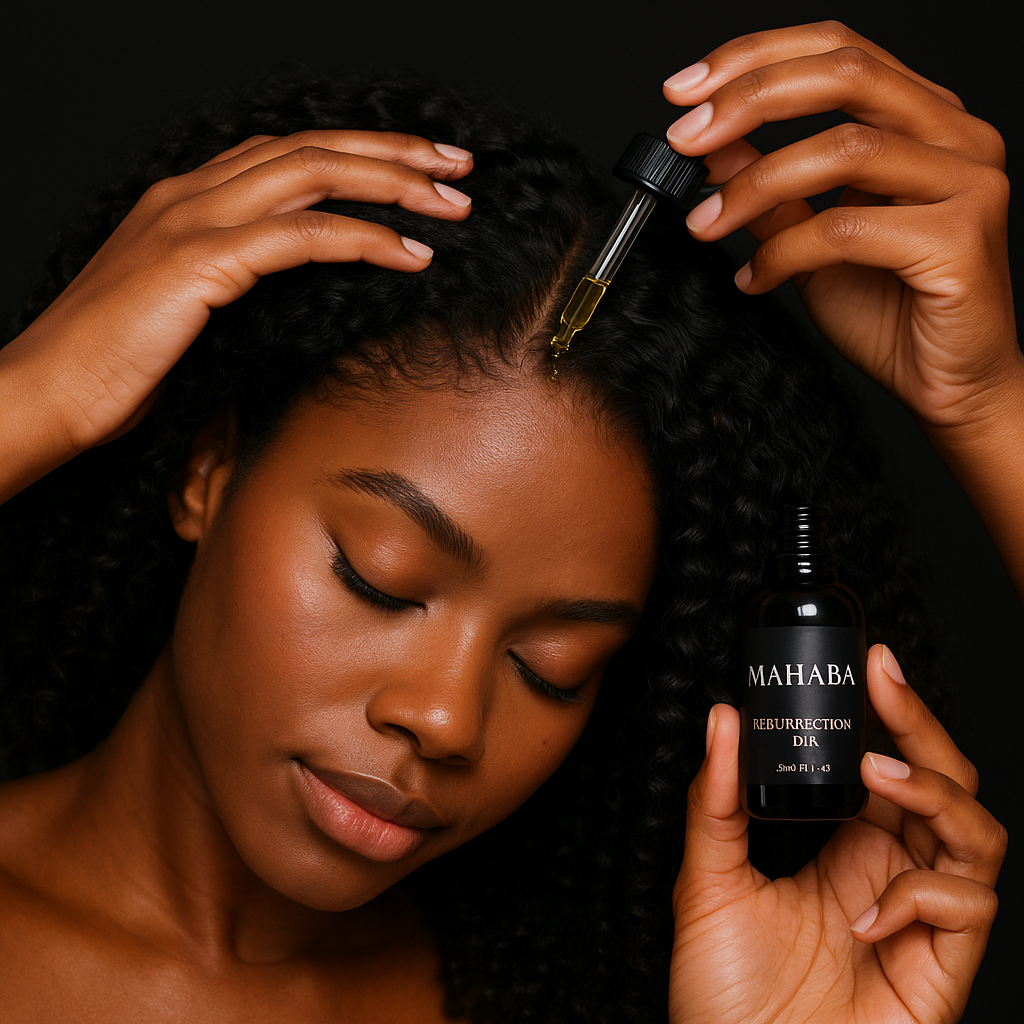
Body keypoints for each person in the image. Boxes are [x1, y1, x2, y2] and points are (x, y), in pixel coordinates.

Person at [0, 20, 1013, 1023]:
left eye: (550, 666)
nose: (444, 718)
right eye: (379, 579)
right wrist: (37, 397)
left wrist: (989, 404)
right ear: (207, 468)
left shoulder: (577, 993)